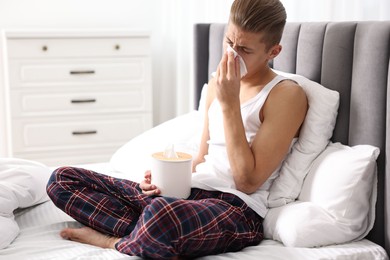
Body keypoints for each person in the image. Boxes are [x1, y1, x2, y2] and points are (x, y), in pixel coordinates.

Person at [46, 0, 308, 259]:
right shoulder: (217, 83)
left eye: (244, 49)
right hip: (187, 197)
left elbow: (247, 182)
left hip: (234, 208)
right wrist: (164, 179)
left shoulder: (285, 95)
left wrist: (229, 103)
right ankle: (147, 232)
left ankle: (113, 241)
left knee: (162, 215)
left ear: (273, 52)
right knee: (62, 179)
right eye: (229, 42)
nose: (231, 55)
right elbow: (201, 158)